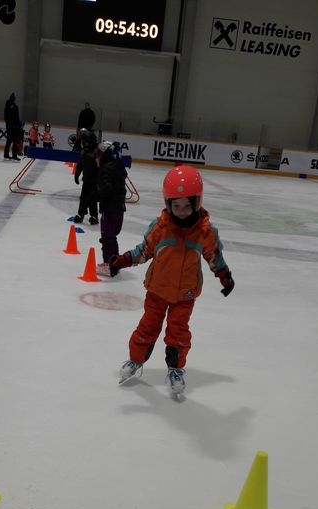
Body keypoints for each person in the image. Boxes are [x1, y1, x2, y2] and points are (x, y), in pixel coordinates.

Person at [109, 165, 235, 395]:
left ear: (197, 202)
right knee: (147, 327)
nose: (182, 212)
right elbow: (144, 251)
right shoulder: (161, 228)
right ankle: (136, 360)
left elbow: (214, 256)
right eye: (176, 206)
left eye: (187, 206)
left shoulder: (205, 232)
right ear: (168, 204)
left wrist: (224, 276)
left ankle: (176, 370)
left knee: (178, 333)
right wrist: (122, 260)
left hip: (185, 294)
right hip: (157, 291)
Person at [95, 140, 127, 274]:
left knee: (107, 237)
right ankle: (115, 262)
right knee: (112, 236)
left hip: (110, 208)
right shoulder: (118, 167)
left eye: (99, 154)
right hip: (119, 208)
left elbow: (106, 189)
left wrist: (95, 196)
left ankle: (109, 264)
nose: (97, 157)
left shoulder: (106, 169)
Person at [73, 129, 99, 225]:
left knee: (92, 199)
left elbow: (101, 167)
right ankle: (81, 214)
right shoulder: (84, 152)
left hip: (94, 181)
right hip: (86, 180)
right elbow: (80, 165)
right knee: (83, 197)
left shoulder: (96, 152)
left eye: (84, 142)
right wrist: (77, 174)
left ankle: (94, 216)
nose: (83, 144)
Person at [4, 93, 22, 161]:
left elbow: (6, 118)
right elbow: (16, 118)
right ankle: (14, 156)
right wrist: (19, 124)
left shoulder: (6, 107)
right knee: (14, 141)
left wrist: (8, 125)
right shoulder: (14, 107)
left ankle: (6, 155)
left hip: (9, 127)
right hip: (14, 128)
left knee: (9, 141)